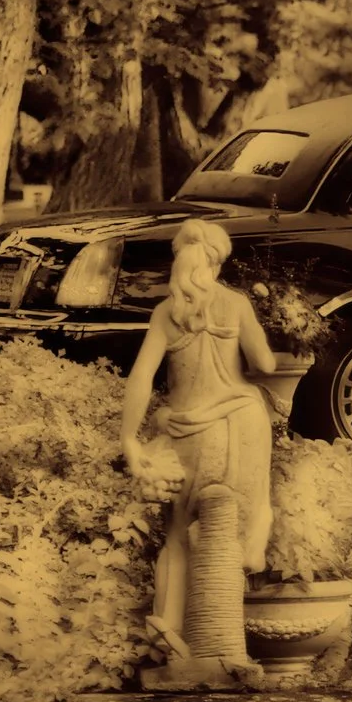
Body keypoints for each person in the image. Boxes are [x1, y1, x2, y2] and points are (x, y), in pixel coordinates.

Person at [118, 219, 277, 660]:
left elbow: (141, 378)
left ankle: (170, 632)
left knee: (175, 536)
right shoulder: (236, 304)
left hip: (187, 430)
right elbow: (263, 363)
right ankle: (252, 550)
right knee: (245, 514)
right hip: (241, 423)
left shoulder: (166, 314)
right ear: (216, 261)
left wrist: (130, 438)